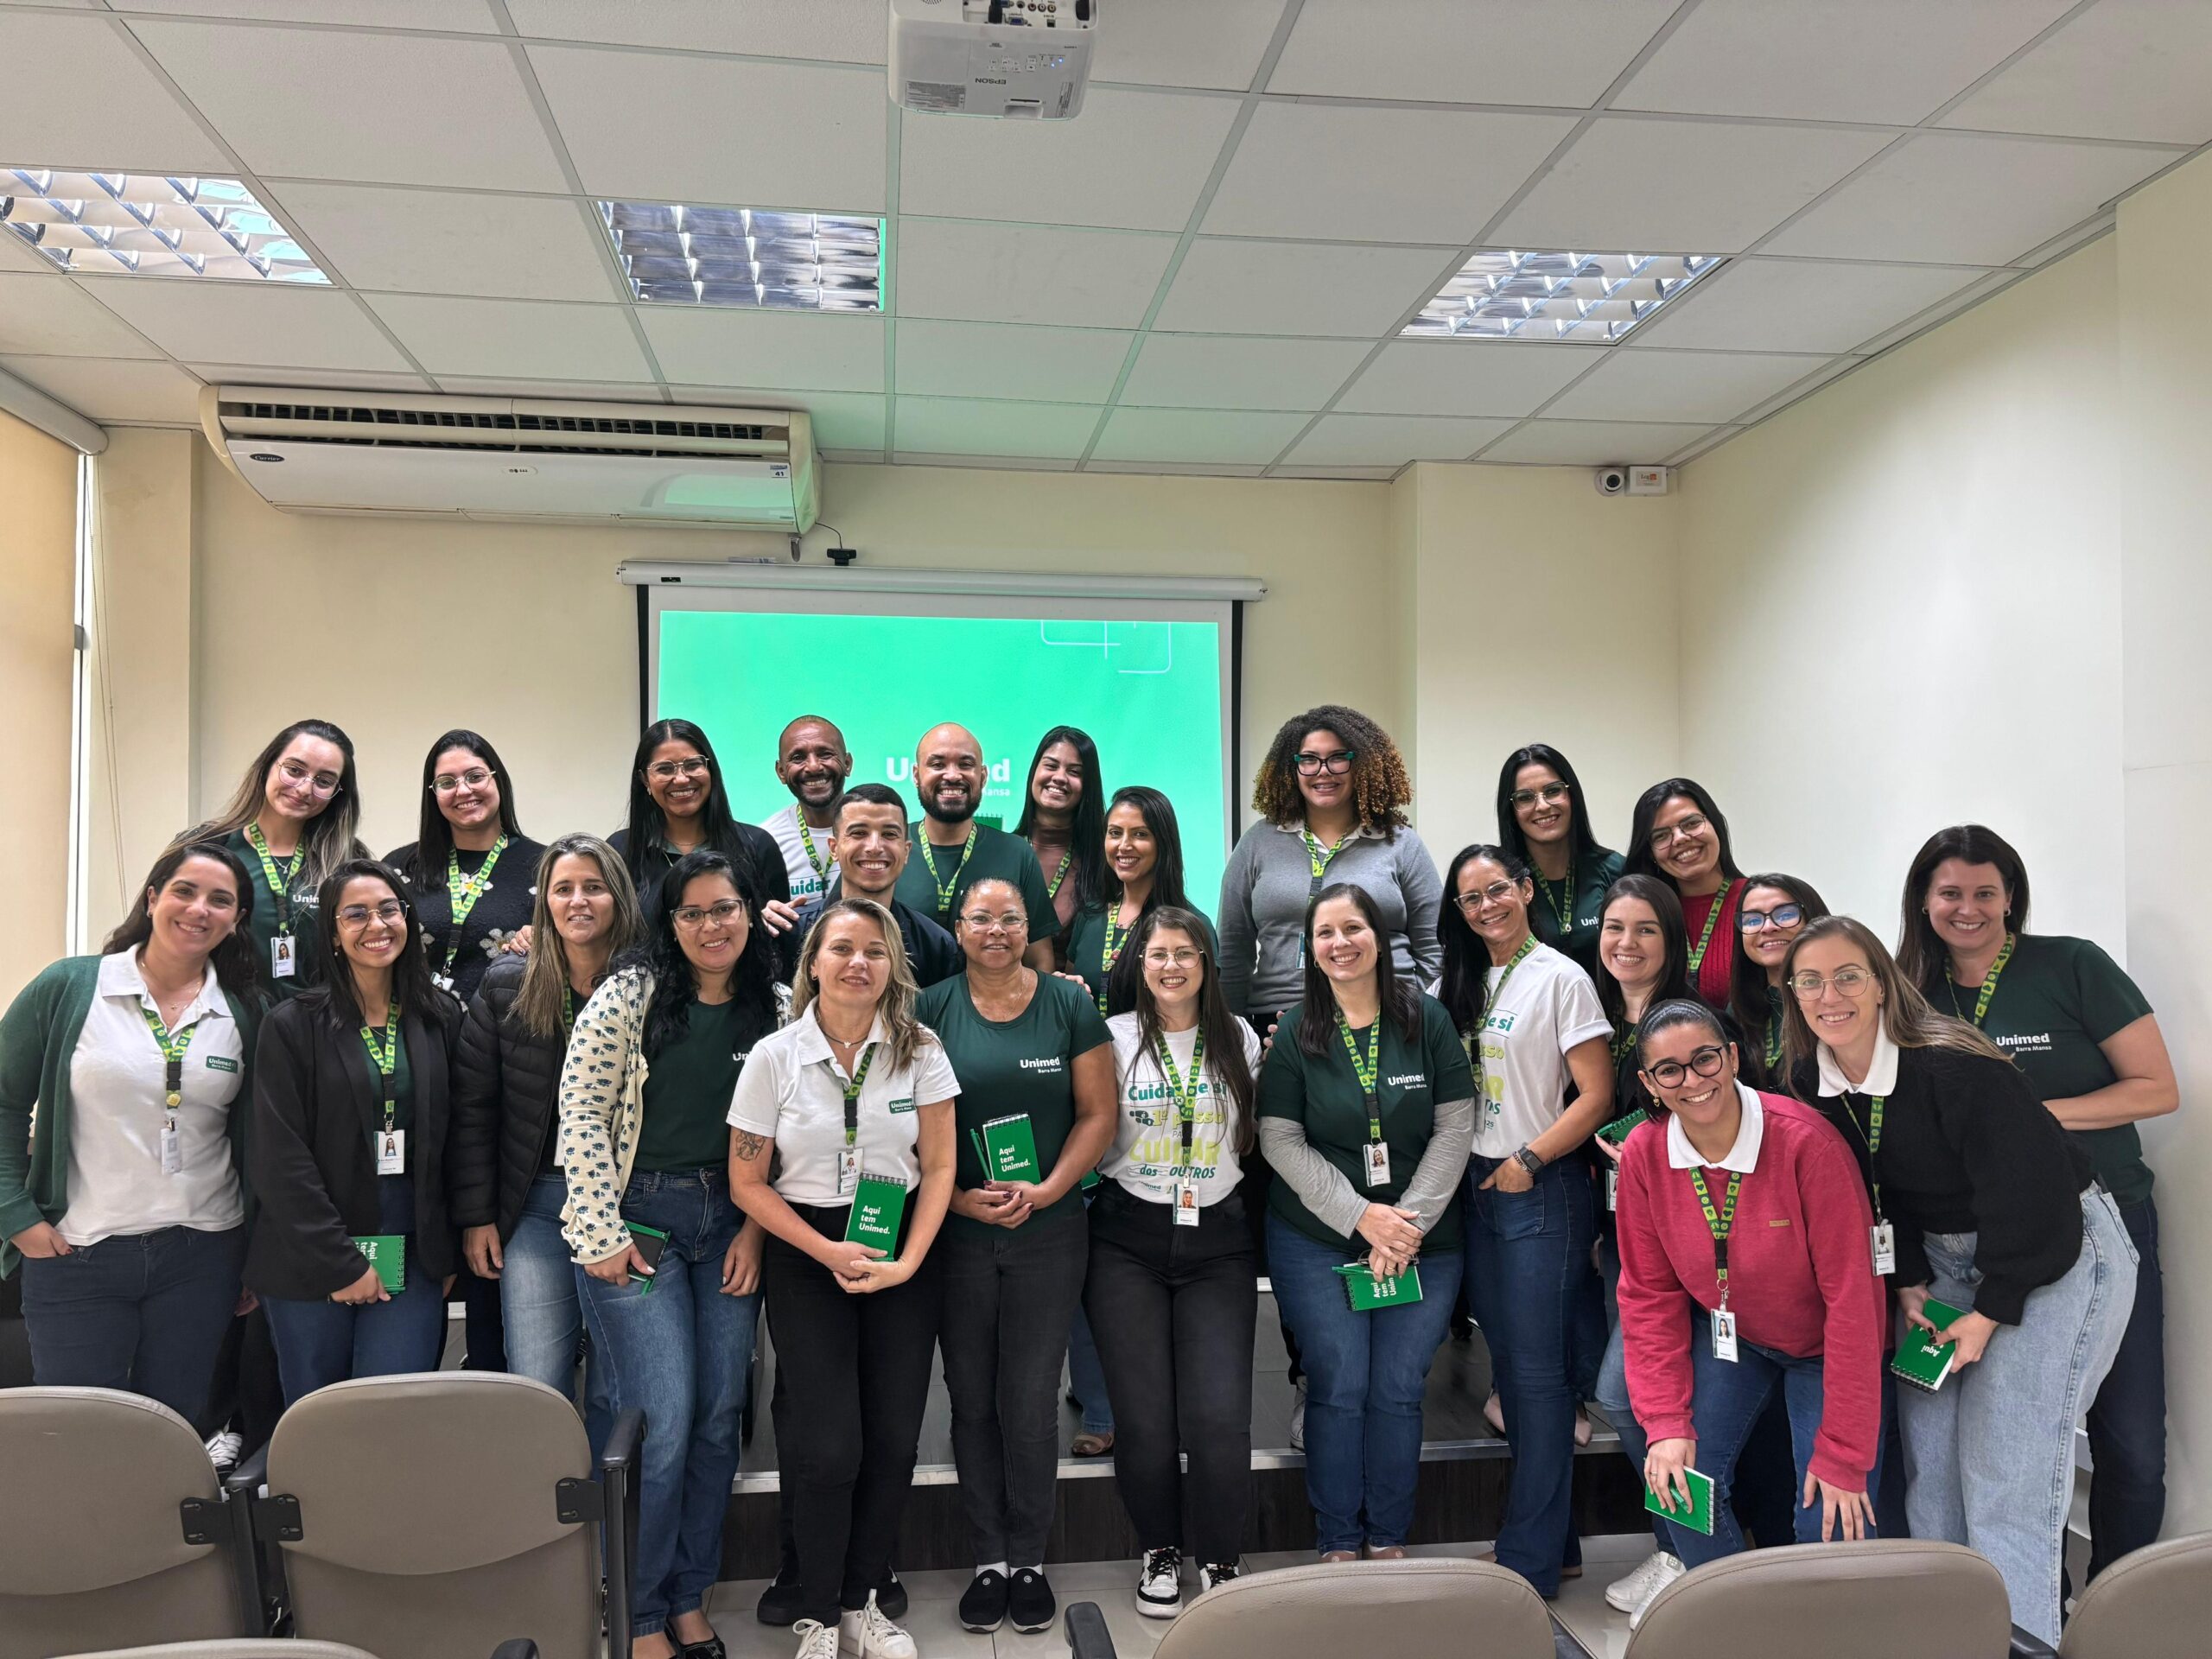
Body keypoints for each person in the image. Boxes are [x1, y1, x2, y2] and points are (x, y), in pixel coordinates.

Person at [1784, 915, 2135, 1646]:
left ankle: (2023, 1640)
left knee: (2004, 1474)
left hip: (2050, 1251)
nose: (1829, 995)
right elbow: (1875, 1189)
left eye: (1847, 976)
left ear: (1882, 984)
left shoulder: (1954, 1066)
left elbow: (2035, 1200)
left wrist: (1990, 1311)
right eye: (1810, 981)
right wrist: (1910, 1278)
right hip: (1943, 1263)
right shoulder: (1811, 1081)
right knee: (1935, 1469)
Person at [1897, 825, 2177, 1580]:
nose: (1968, 909)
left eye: (1985, 893)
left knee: (2129, 1440)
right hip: (1972, 1245)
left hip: (2098, 1219)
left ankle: (2121, 1608)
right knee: (2000, 1450)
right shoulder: (1910, 993)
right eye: (1950, 893)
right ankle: (2025, 1610)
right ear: (1923, 901)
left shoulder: (2071, 965)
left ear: (2010, 897)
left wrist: (2025, 1121)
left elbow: (2157, 1088)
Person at [728, 898, 958, 1659]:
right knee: (829, 1446)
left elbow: (940, 1167)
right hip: (806, 1250)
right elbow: (748, 1183)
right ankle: (820, 1615)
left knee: (893, 1441)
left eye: (875, 951)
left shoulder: (921, 1050)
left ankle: (863, 1606)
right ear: (814, 963)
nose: (859, 963)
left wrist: (910, 1261)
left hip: (900, 1248)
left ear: (894, 966)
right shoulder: (774, 1057)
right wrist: (826, 1251)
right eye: (843, 949)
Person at [558, 849, 772, 1659]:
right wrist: (602, 1232)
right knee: (664, 1422)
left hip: (733, 1219)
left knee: (718, 1420)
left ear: (749, 913)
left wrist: (756, 1231)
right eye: (693, 913)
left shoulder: (778, 1003)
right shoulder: (628, 995)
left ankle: (688, 1597)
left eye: (726, 909)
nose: (712, 926)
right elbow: (580, 1112)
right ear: (670, 923)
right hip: (638, 1220)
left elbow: (785, 1131)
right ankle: (638, 1613)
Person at [1614, 1001, 1885, 1622]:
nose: (1692, 1080)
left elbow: (1854, 1302)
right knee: (1679, 1488)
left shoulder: (1806, 1144)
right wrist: (1666, 1423)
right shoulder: (1645, 1154)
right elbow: (1648, 1296)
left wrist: (1843, 1452)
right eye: (1669, 1070)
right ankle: (1743, 1624)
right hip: (1734, 1337)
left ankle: (1822, 1634)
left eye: (1705, 1059)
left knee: (1832, 1517)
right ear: (1649, 1084)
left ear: (1733, 1057)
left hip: (1825, 1346)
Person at [0, 841, 263, 1423]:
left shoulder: (243, 1011)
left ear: (237, 919)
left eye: (220, 900)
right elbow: (4, 1102)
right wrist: (14, 1216)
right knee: (76, 1430)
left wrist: (254, 1253)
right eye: (184, 891)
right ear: (152, 899)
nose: (199, 909)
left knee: (175, 1427)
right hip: (78, 1252)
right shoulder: (71, 987)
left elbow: (258, 1139)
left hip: (204, 1254)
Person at [917, 878, 1116, 1637]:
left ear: (1028, 926)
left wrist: (1050, 1188)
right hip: (958, 1232)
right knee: (971, 1397)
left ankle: (1029, 1558)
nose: (995, 930)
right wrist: (959, 1200)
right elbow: (905, 1121)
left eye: (1009, 918)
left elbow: (1098, 1114)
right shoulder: (930, 1008)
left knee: (1030, 1400)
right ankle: (988, 1559)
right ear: (958, 927)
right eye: (980, 918)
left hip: (1050, 1229)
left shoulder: (1068, 1004)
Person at [1257, 883, 1472, 1562]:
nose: (1340, 943)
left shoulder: (1426, 1019)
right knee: (1340, 1384)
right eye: (1325, 932)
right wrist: (1362, 1217)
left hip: (1423, 1238)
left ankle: (1387, 1536)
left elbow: (1456, 1125)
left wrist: (1403, 1226)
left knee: (1399, 1389)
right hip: (1317, 1236)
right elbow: (1279, 1139)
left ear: (1379, 937)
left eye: (1353, 928)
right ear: (1309, 948)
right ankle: (1338, 1539)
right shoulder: (1296, 1031)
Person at [1436, 845, 1613, 1597]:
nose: (1487, 906)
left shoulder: (1561, 977)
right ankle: (1555, 1545)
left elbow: (1597, 1095)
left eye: (1497, 889)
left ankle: (1530, 1562)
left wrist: (1529, 1160)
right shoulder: (1462, 981)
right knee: (1512, 1372)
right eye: (1471, 898)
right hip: (1479, 1187)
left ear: (1526, 889)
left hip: (1540, 1187)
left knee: (1539, 1380)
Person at [1089, 906, 1263, 1615]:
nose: (1171, 966)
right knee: (1145, 1417)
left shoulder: (1237, 1036)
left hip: (1217, 1240)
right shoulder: (1112, 1037)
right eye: (1158, 954)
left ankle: (1220, 1555)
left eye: (1185, 953)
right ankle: (1159, 1549)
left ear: (1206, 962)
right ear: (1140, 964)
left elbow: (1254, 1135)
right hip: (1127, 1239)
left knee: (1219, 1415)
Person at [246, 859, 461, 1402]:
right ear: (333, 934)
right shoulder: (292, 1024)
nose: (377, 925)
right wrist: (340, 1262)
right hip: (309, 1254)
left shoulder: (439, 1018)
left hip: (412, 1251)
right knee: (316, 1418)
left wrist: (445, 1250)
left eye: (389, 910)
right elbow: (279, 1157)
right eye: (356, 914)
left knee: (391, 1413)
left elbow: (457, 1138)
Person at [450, 836, 643, 1428]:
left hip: (627, 1201)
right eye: (564, 889)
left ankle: (612, 1489)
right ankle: (551, 1490)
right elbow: (474, 1108)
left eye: (594, 887)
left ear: (619, 897)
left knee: (619, 1381)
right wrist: (478, 1216)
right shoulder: (506, 983)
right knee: (537, 1380)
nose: (578, 900)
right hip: (535, 1203)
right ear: (545, 903)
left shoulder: (652, 987)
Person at [1586, 875, 1700, 1616]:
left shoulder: (1689, 1021)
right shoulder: (1594, 1015)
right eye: (1615, 928)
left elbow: (1719, 1121)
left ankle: (1689, 1554)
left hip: (1686, 1244)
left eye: (1646, 929)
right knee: (1647, 1404)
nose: (1627, 943)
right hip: (1621, 1239)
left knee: (1630, 1398)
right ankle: (1676, 1549)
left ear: (1672, 939)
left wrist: (1655, 1151)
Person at [1218, 703, 1442, 1024]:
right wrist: (1234, 1029)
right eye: (1308, 759)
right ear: (1291, 769)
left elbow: (1434, 946)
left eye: (1338, 758)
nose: (1323, 771)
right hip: (1280, 1019)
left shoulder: (1401, 843)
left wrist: (1420, 1012)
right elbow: (1232, 948)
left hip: (1388, 1016)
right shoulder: (1258, 842)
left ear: (1362, 765)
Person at [186, 718, 367, 995]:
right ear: (268, 765)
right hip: (225, 1017)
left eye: (324, 781)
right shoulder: (206, 845)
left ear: (336, 794)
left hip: (317, 1020)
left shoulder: (349, 860)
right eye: (294, 770)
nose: (304, 788)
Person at [385, 729, 545, 1002]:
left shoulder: (546, 867)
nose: (463, 790)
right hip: (416, 1022)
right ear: (434, 793)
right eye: (447, 782)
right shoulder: (400, 868)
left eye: (475, 776)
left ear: (497, 779)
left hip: (506, 1024)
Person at [893, 724, 1055, 969]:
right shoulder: (888, 849)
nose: (952, 775)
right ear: (916, 775)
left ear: (983, 776)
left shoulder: (1016, 853)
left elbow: (1040, 959)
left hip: (995, 996)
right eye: (937, 764)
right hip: (901, 996)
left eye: (965, 764)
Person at [611, 717, 792, 918]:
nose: (681, 779)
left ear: (710, 769)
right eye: (664, 769)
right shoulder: (620, 850)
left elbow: (781, 928)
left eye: (692, 765)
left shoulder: (757, 845)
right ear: (644, 779)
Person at [784, 785, 962, 988]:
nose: (875, 847)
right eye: (859, 833)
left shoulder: (936, 945)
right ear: (834, 848)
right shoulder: (790, 932)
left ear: (906, 851)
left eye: (889, 834)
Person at [1065, 785, 1217, 1018]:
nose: (1124, 845)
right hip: (1090, 1043)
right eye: (1115, 833)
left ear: (1162, 842)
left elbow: (1209, 1016)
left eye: (1140, 834)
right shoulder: (1090, 915)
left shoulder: (1193, 925)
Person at [1495, 744, 1624, 975]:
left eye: (1553, 791)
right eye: (1525, 797)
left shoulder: (1615, 870)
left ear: (1571, 795)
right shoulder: (1499, 883)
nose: (1542, 806)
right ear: (1511, 810)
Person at [1623, 779, 1745, 1007]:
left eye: (1691, 823)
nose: (1680, 838)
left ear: (1715, 824)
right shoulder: (1647, 914)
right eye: (1661, 835)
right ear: (1650, 853)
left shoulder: (1761, 903)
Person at [1728, 873, 1830, 1089]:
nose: (1768, 927)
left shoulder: (1837, 997)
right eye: (1752, 920)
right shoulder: (1739, 1008)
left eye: (1785, 914)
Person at [1011, 725, 1105, 938]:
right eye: (1051, 766)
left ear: (1088, 785)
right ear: (1034, 772)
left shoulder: (1104, 861)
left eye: (1074, 772)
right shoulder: (1001, 851)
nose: (1060, 777)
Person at [763, 715, 854, 908]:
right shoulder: (765, 842)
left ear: (847, 763)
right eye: (798, 758)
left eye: (825, 754)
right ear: (781, 772)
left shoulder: (878, 834)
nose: (813, 766)